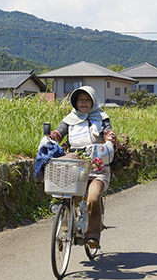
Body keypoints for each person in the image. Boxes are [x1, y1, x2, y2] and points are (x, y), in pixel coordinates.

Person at [48, 85, 116, 249]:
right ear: (75, 102)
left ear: (93, 102)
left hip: (97, 166)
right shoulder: (70, 119)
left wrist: (108, 142)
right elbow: (58, 133)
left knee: (93, 198)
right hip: (75, 164)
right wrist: (49, 140)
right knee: (66, 196)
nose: (84, 103)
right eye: (80, 100)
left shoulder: (101, 118)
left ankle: (93, 236)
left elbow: (109, 133)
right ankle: (66, 224)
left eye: (87, 100)